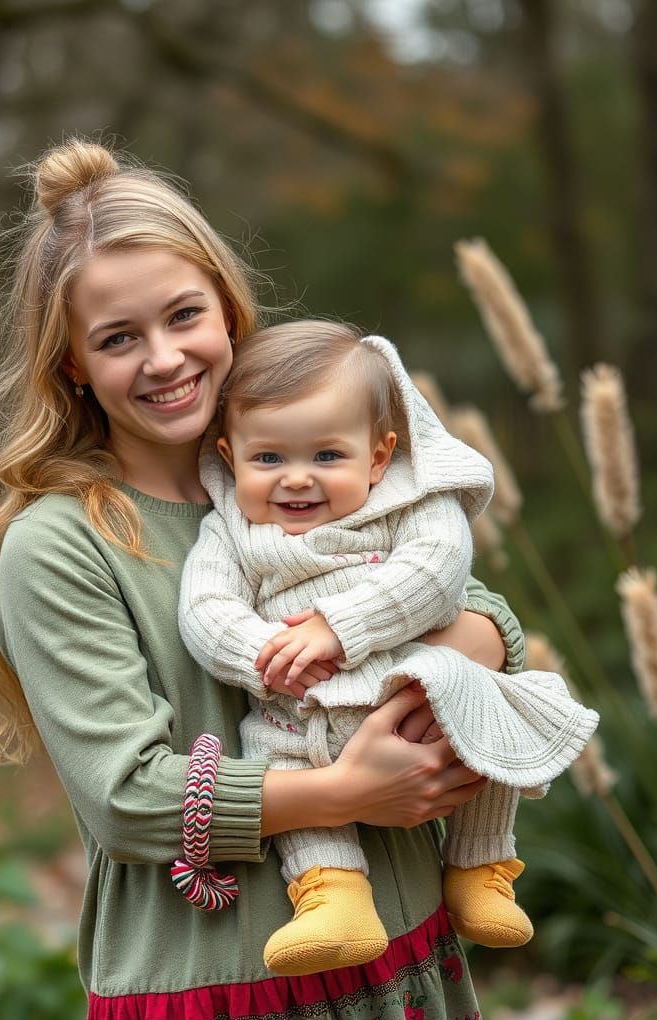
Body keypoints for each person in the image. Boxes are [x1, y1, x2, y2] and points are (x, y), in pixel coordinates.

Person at [0, 138, 530, 1020]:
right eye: (117, 339)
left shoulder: (311, 454)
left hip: (404, 941)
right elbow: (127, 794)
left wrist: (453, 644)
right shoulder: (63, 543)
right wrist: (345, 792)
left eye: (184, 316)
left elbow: (461, 591)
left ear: (225, 308)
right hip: (220, 980)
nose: (164, 358)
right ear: (72, 363)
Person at [178, 321, 599, 977]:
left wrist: (338, 626)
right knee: (281, 767)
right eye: (268, 459)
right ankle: (331, 896)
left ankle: (480, 866)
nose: (296, 480)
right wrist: (266, 649)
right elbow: (204, 608)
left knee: (481, 720)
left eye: (326, 456)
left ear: (378, 456)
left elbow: (438, 569)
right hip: (304, 715)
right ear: (230, 457)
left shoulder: (410, 500)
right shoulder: (230, 529)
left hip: (418, 692)